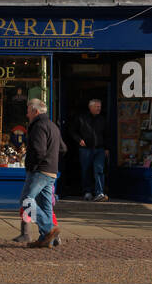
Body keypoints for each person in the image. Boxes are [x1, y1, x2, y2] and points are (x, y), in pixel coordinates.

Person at [21, 99, 65, 248]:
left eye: (28, 110)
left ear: (35, 111)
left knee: (26, 201)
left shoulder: (38, 126)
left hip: (40, 170)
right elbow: (63, 148)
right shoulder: (53, 126)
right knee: (45, 205)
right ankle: (48, 240)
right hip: (52, 171)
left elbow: (39, 151)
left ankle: (49, 230)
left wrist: (33, 166)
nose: (27, 114)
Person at [73, 98, 108, 202]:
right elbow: (72, 130)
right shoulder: (81, 118)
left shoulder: (102, 119)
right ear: (90, 107)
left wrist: (107, 148)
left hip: (99, 149)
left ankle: (99, 193)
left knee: (99, 170)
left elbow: (107, 134)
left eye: (100, 107)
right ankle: (87, 192)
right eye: (97, 107)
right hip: (85, 149)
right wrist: (79, 140)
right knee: (86, 170)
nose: (99, 109)